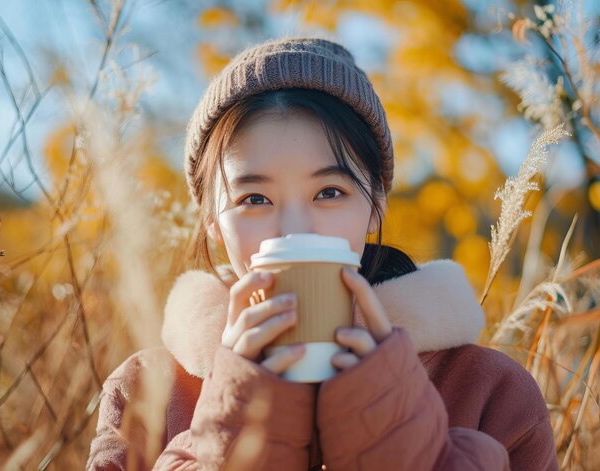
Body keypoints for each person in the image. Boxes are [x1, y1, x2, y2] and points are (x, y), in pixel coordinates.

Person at [86, 37, 558, 470]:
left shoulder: (490, 391)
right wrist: (234, 428)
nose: (295, 230)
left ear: (375, 207)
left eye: (329, 192)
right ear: (212, 224)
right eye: (254, 199)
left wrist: (400, 436)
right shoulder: (144, 392)